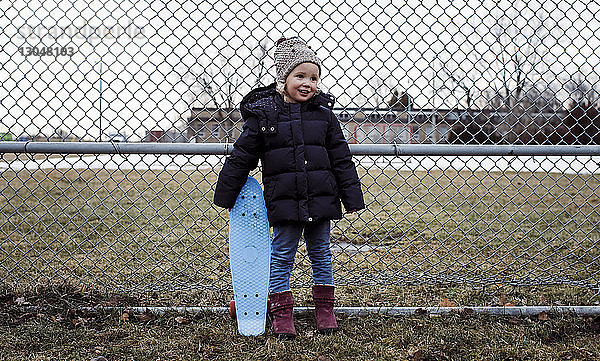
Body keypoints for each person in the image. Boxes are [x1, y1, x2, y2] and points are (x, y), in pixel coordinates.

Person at [214, 37, 365, 338]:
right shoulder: (265, 116)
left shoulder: (324, 116)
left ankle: (325, 309)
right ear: (283, 79)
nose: (308, 83)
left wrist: (351, 196)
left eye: (314, 77)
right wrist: (227, 192)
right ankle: (282, 312)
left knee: (322, 252)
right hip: (284, 202)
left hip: (320, 200)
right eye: (300, 76)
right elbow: (242, 155)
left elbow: (341, 157)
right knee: (282, 254)